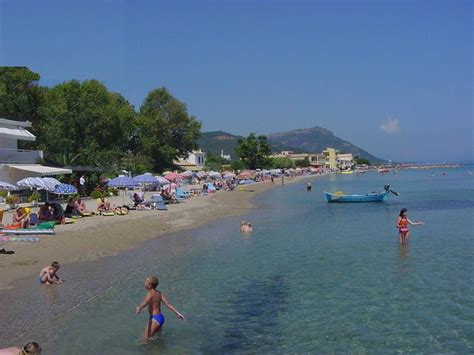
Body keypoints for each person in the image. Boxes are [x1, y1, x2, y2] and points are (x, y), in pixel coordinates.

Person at [135, 276, 185, 341]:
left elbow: (145, 302)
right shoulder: (160, 293)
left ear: (150, 285)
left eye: (145, 282)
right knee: (157, 338)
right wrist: (178, 313)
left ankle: (146, 350)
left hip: (155, 318)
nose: (144, 284)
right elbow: (168, 304)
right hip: (160, 318)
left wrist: (139, 308)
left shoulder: (150, 294)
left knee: (145, 339)